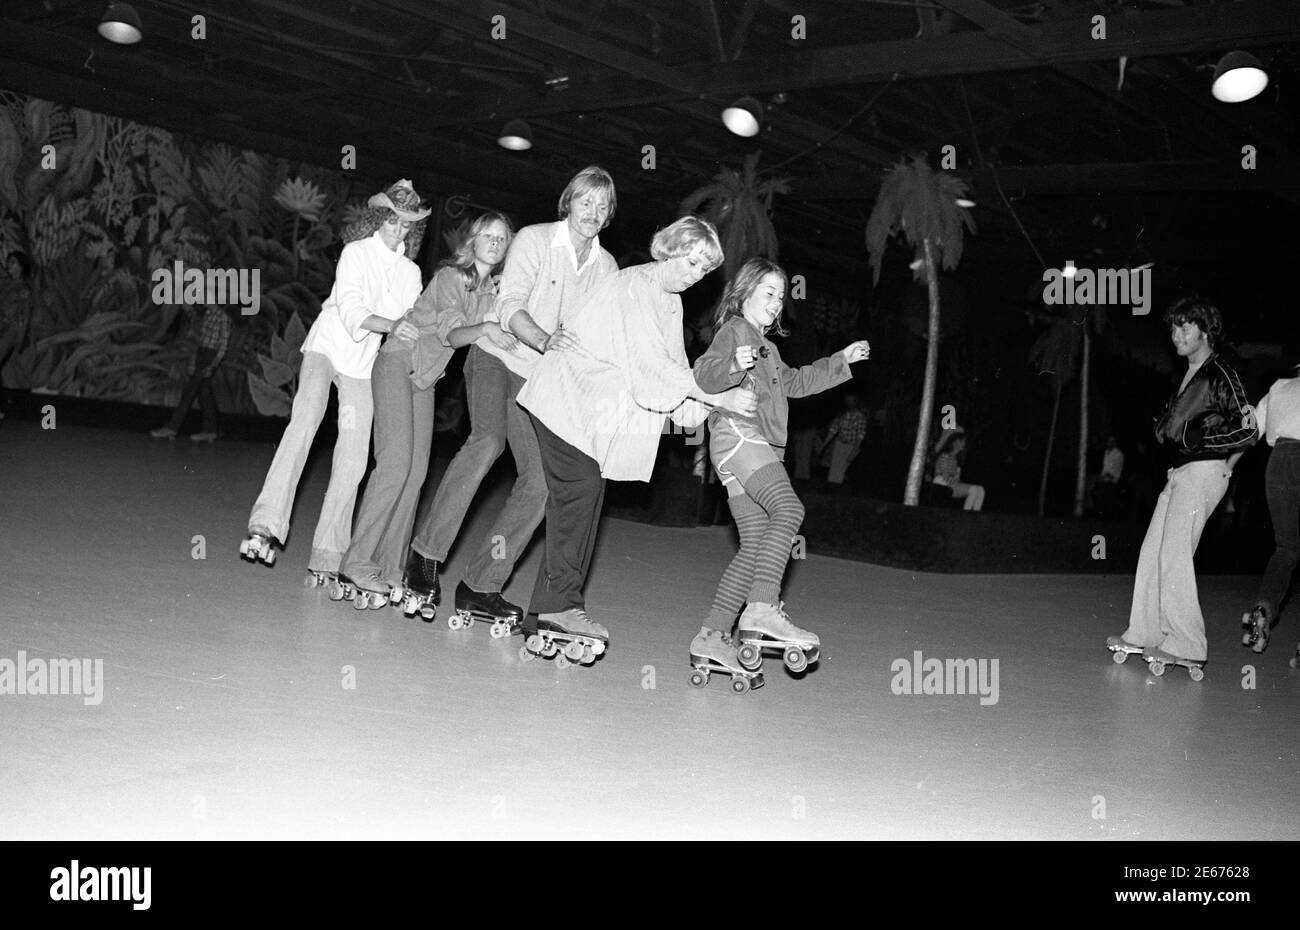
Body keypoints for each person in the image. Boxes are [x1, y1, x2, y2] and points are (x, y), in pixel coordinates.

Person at [515, 216, 756, 662]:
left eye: (704, 269)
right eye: (691, 260)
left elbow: (674, 376)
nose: (694, 273)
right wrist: (710, 394)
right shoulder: (637, 286)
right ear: (669, 247)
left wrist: (712, 406)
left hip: (588, 413)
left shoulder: (669, 302)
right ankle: (559, 607)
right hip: (565, 397)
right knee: (581, 488)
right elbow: (653, 371)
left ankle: (545, 613)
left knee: (585, 493)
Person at [403, 168, 619, 629]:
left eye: (603, 207)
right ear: (569, 202)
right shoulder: (536, 241)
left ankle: (481, 584)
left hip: (538, 381)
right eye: (586, 202)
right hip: (496, 355)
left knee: (542, 482)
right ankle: (424, 557)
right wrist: (544, 340)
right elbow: (508, 304)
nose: (593, 213)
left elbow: (600, 334)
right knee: (487, 442)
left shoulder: (606, 268)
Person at [239, 180, 428, 582]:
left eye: (407, 224)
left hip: (362, 365)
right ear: (378, 218)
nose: (399, 229)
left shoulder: (411, 273)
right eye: (393, 220)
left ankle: (329, 552)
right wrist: (395, 325)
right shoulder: (355, 253)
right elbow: (351, 310)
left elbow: (412, 321)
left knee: (354, 455)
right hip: (326, 347)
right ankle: (266, 522)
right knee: (305, 423)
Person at [692, 257, 869, 677]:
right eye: (769, 293)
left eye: (781, 296)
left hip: (749, 449)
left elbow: (796, 384)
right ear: (745, 292)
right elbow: (704, 372)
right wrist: (735, 363)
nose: (776, 303)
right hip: (740, 435)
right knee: (789, 511)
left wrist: (840, 360)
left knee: (755, 547)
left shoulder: (767, 348)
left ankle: (712, 635)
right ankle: (762, 608)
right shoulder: (735, 331)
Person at [336, 212, 514, 610]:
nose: (495, 241)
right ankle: (357, 561)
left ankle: (391, 567)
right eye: (487, 234)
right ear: (472, 240)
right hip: (399, 362)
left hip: (424, 378)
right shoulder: (452, 277)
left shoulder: (491, 291)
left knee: (417, 475)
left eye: (502, 238)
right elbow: (453, 334)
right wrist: (485, 328)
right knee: (396, 465)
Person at [1107, 296, 1256, 671]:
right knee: (1153, 550)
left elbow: (1247, 429)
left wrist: (1206, 446)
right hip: (1180, 473)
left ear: (1205, 331)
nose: (1176, 335)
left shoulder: (1222, 371)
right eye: (1173, 327)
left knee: (1174, 554)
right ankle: (1144, 633)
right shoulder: (1189, 374)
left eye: (1185, 326)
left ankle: (1188, 642)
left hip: (1204, 472)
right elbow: (1183, 429)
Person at [1240, 368, 1300, 654]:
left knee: (1286, 547)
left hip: (1279, 461)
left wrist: (1226, 465)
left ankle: (1263, 607)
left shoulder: (1279, 386)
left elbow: (1251, 430)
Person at [150, 304, 231, 442]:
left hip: (210, 356)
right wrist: (195, 359)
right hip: (202, 353)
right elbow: (200, 336)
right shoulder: (208, 314)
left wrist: (212, 365)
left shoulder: (223, 317)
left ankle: (172, 427)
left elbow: (223, 345)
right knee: (204, 393)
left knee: (190, 391)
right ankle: (210, 430)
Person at [818, 392, 868, 487]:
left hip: (851, 445)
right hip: (840, 443)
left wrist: (854, 451)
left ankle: (837, 490)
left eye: (851, 401)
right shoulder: (842, 415)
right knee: (834, 469)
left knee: (841, 469)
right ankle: (831, 489)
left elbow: (860, 436)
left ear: (856, 402)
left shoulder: (860, 417)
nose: (849, 403)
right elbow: (833, 429)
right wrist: (824, 445)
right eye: (847, 401)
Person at [930, 428, 985, 511]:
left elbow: (957, 478)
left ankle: (974, 517)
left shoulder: (957, 460)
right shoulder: (944, 455)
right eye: (962, 441)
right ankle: (965, 516)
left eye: (964, 441)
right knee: (973, 489)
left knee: (980, 489)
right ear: (954, 442)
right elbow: (945, 476)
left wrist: (958, 482)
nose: (964, 443)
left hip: (951, 484)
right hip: (941, 485)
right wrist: (956, 482)